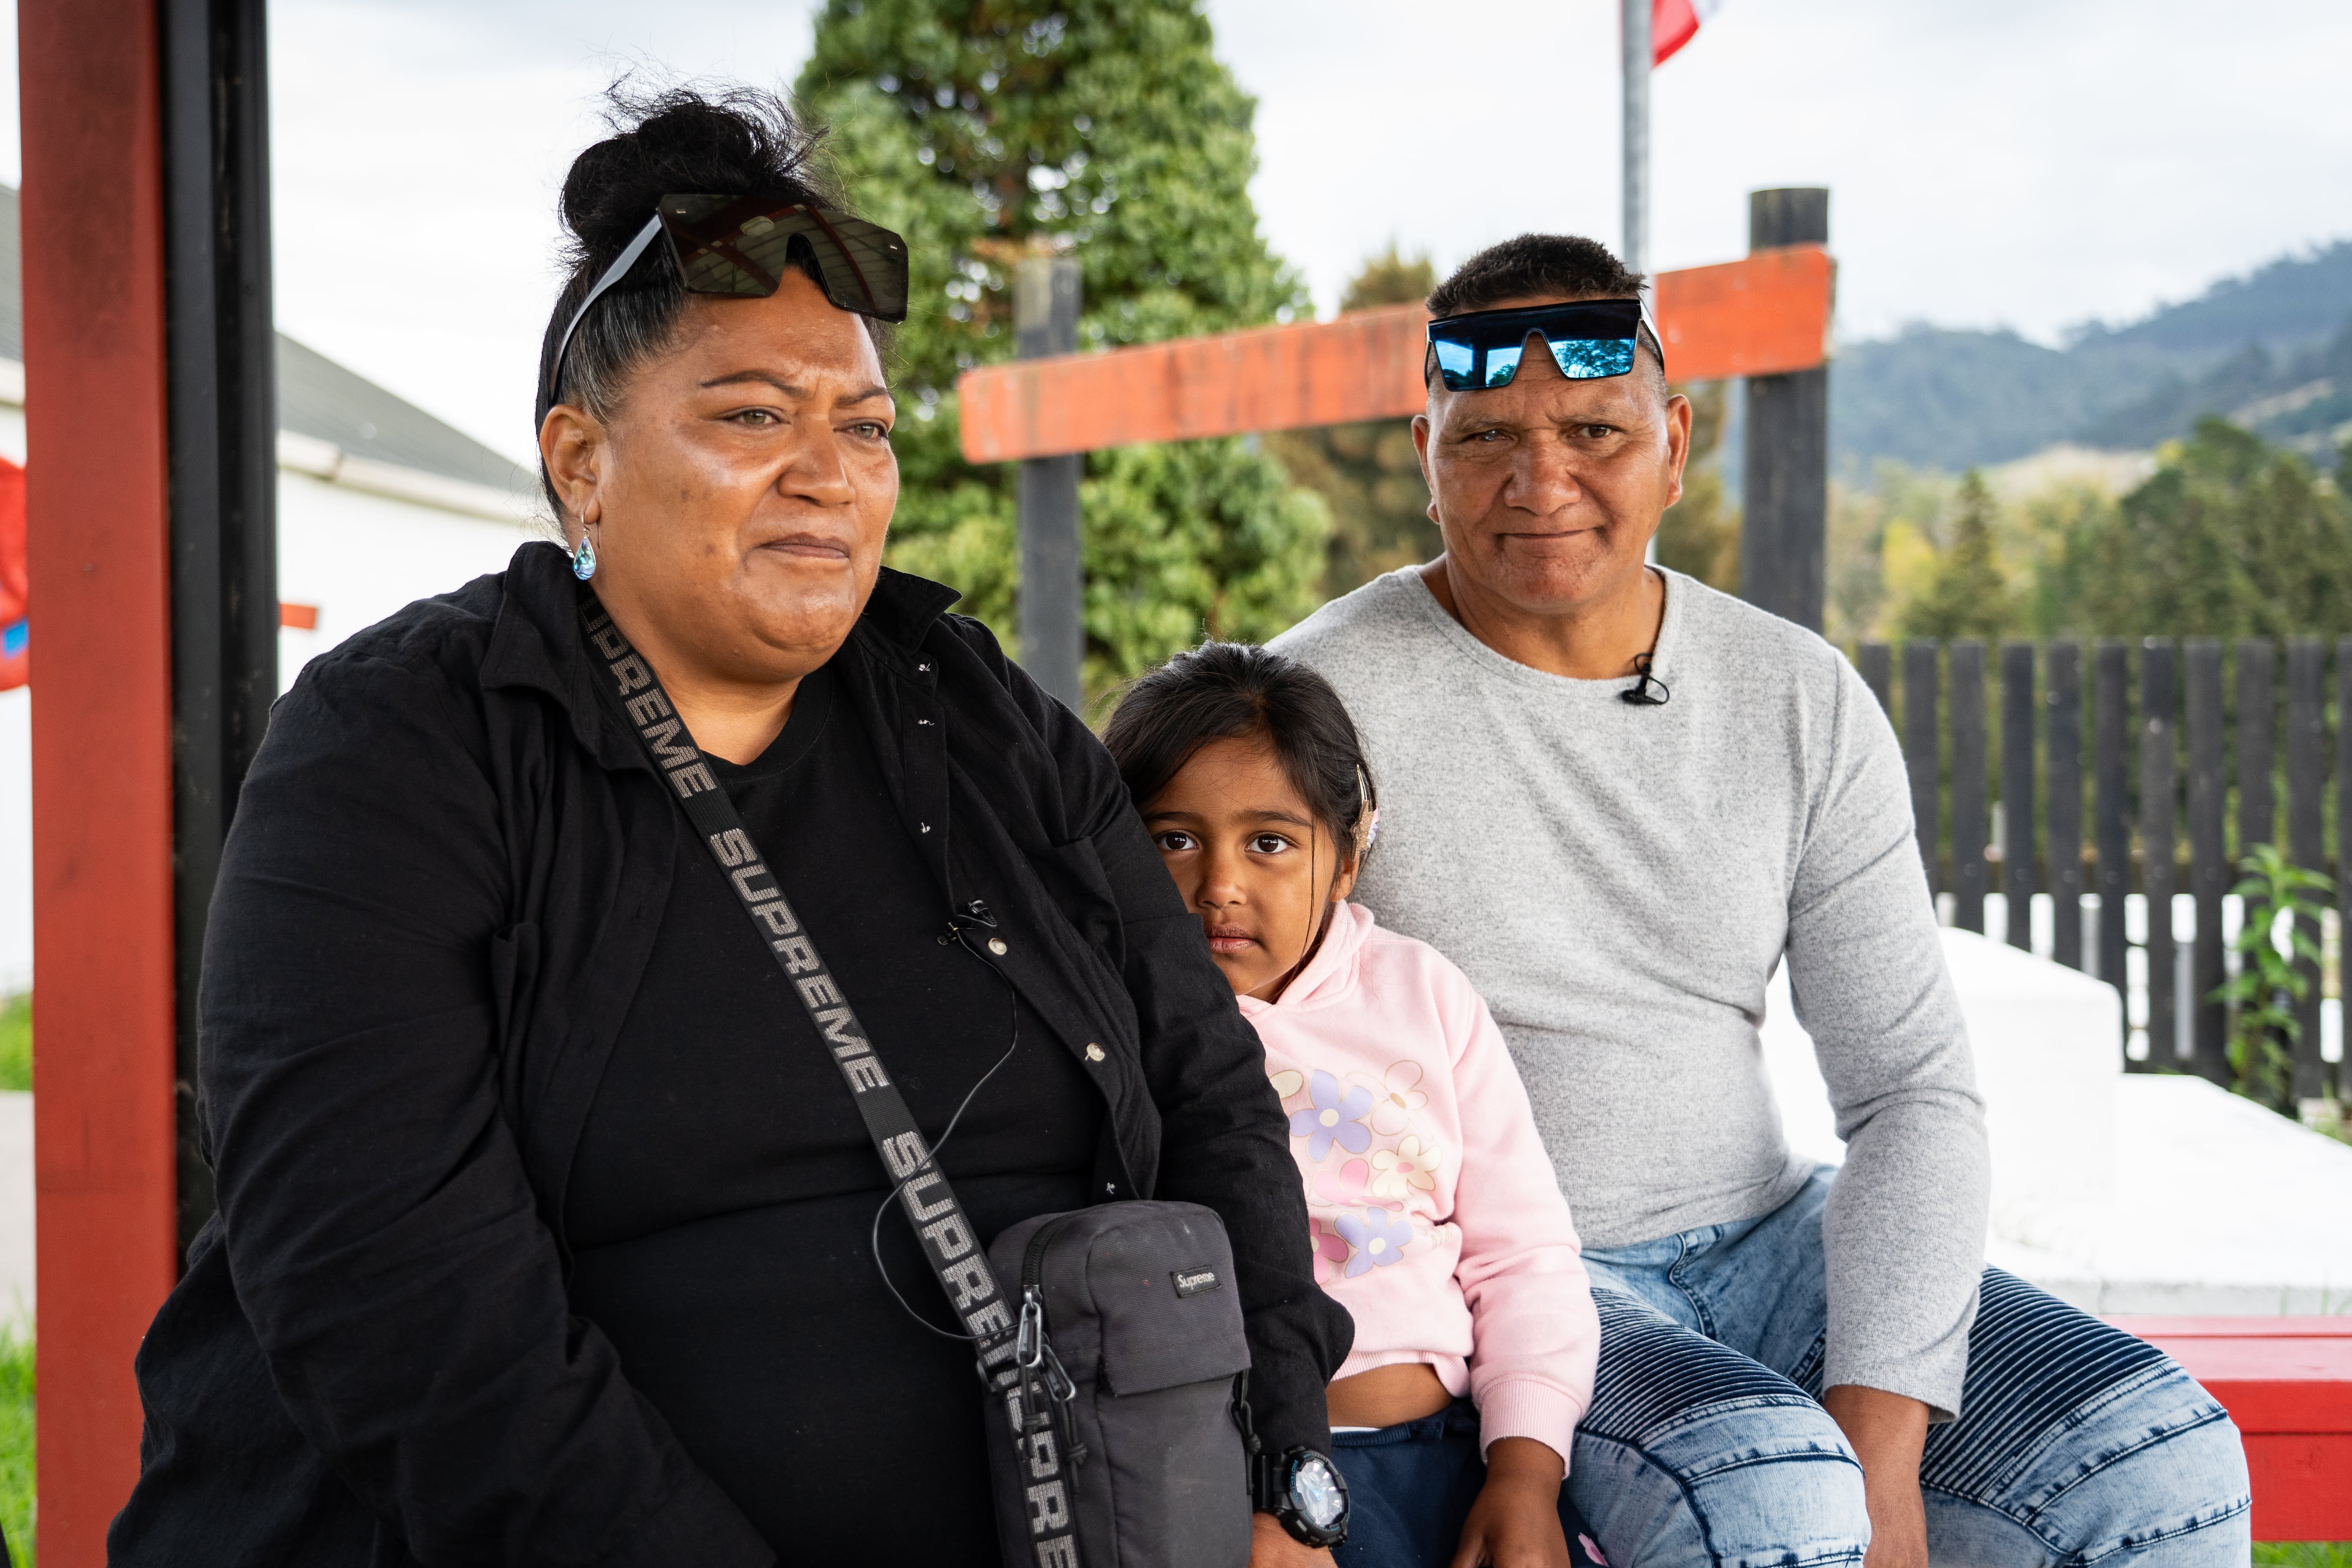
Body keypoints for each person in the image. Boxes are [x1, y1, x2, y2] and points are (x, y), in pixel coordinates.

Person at [107, 86, 1349, 1567]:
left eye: (865, 426)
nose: (827, 470)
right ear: (581, 462)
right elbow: (387, 1290)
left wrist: (1283, 1466)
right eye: (752, 415)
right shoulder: (399, 743)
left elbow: (1210, 1085)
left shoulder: (984, 718)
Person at [1272, 234, 2252, 1567]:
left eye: (1594, 431)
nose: (1539, 478)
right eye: (1486, 432)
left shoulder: (1798, 693)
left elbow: (1910, 1087)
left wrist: (1885, 1446)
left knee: (2161, 1459)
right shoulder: (1309, 706)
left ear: (1675, 444)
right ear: (1423, 450)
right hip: (1517, 1269)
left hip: (1775, 1223)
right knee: (1771, 1490)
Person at [1104, 643, 1605, 1568]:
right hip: (1228, 1485)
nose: (1220, 883)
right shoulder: (1114, 1024)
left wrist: (1526, 1471)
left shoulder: (1424, 997)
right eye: (1172, 837)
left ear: (1346, 854)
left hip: (1450, 1464)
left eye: (1270, 842)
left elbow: (1523, 1254)